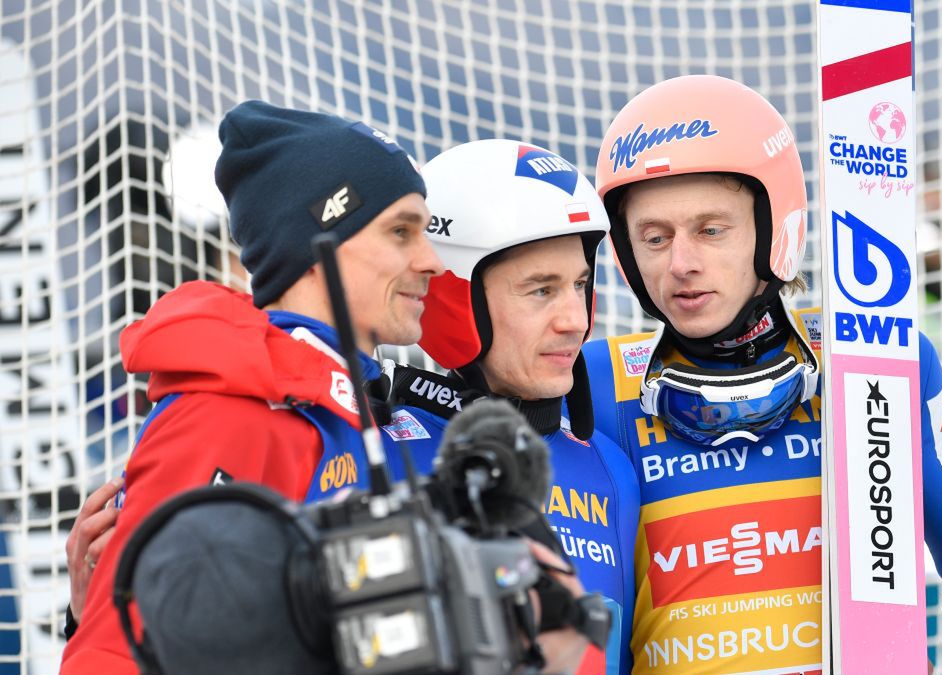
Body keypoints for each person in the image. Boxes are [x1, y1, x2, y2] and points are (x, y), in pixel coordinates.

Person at [60, 103, 591, 674]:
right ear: (319, 247)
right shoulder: (234, 408)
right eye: (400, 232)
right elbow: (118, 652)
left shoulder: (348, 407)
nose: (432, 261)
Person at [581, 75, 942, 674]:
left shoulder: (878, 360)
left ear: (776, 227)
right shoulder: (595, 385)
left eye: (711, 230)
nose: (682, 264)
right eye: (654, 238)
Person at [375, 139, 639, 674]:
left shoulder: (609, 465)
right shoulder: (380, 449)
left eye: (580, 284)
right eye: (541, 290)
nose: (575, 320)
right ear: (454, 301)